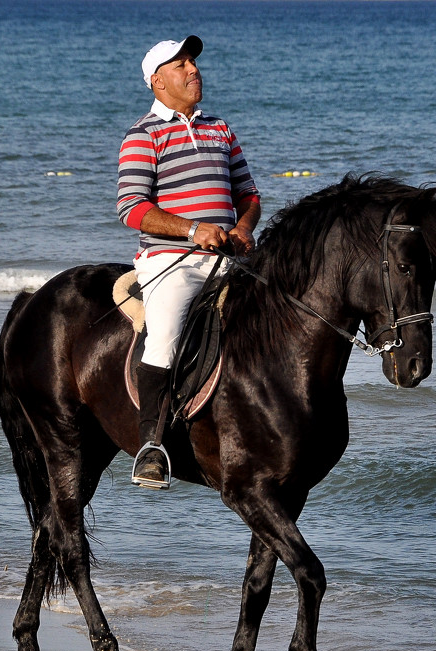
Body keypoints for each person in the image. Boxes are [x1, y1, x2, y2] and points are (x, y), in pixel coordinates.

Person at [117, 35, 261, 488]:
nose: (193, 70)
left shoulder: (220, 127)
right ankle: (150, 447)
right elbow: (132, 208)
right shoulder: (143, 135)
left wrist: (244, 227)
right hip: (170, 260)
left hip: (228, 259)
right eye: (180, 65)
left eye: (193, 62)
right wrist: (193, 229)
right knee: (164, 338)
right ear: (158, 82)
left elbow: (249, 194)